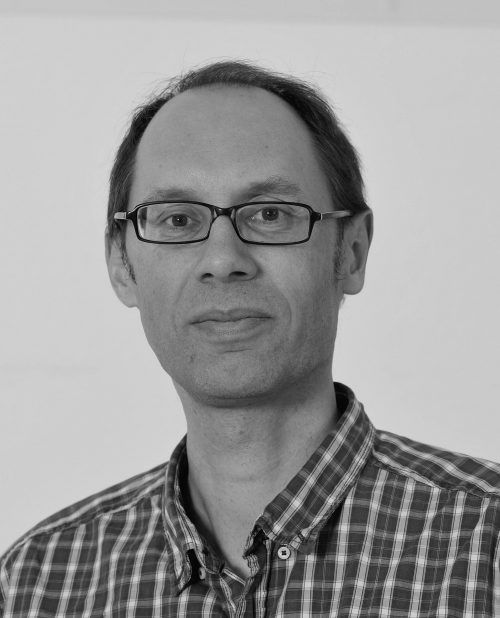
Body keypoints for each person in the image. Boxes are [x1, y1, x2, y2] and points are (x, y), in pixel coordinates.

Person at [1, 60, 499, 617]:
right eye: (178, 220)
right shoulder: (36, 585)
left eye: (269, 214)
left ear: (353, 252)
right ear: (121, 265)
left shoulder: (488, 545)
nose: (222, 260)